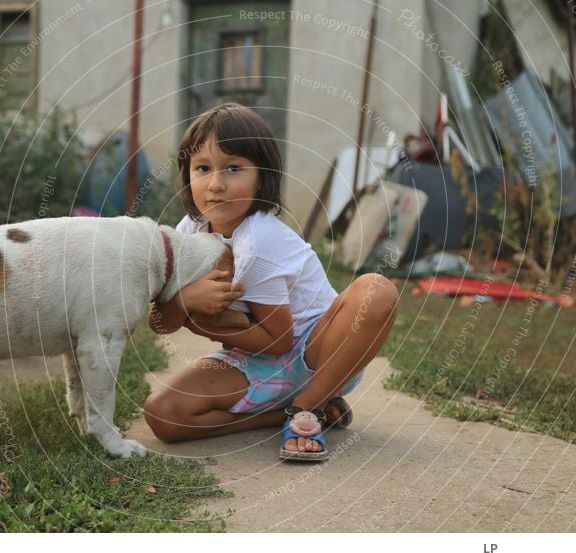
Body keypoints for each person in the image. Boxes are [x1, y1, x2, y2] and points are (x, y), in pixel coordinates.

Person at [144, 103, 398, 461]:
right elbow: (159, 322)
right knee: (162, 415)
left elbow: (279, 341)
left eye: (233, 168)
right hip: (252, 359)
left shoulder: (258, 241)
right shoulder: (190, 232)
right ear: (186, 175)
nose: (215, 184)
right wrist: (183, 301)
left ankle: (306, 409)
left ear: (262, 177)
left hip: (321, 353)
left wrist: (200, 323)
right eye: (202, 168)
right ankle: (284, 413)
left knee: (376, 289)